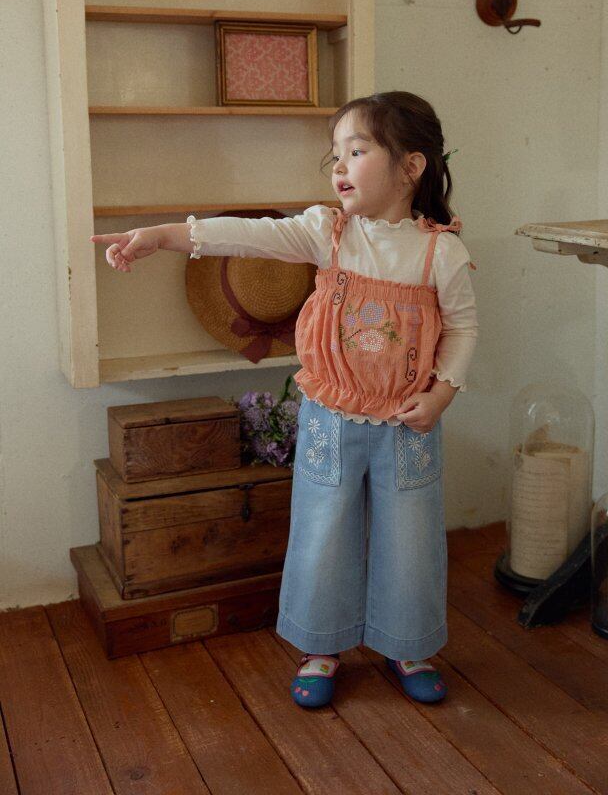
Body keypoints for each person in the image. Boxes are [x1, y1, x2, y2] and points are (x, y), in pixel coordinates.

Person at [90, 90, 479, 710]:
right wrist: (160, 235)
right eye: (335, 153)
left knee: (411, 539)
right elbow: (248, 235)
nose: (339, 165)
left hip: (409, 423)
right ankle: (320, 645)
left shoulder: (442, 251)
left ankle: (407, 644)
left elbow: (462, 329)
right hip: (331, 417)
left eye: (357, 151)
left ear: (412, 167)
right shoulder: (329, 233)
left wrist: (441, 396)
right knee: (323, 531)